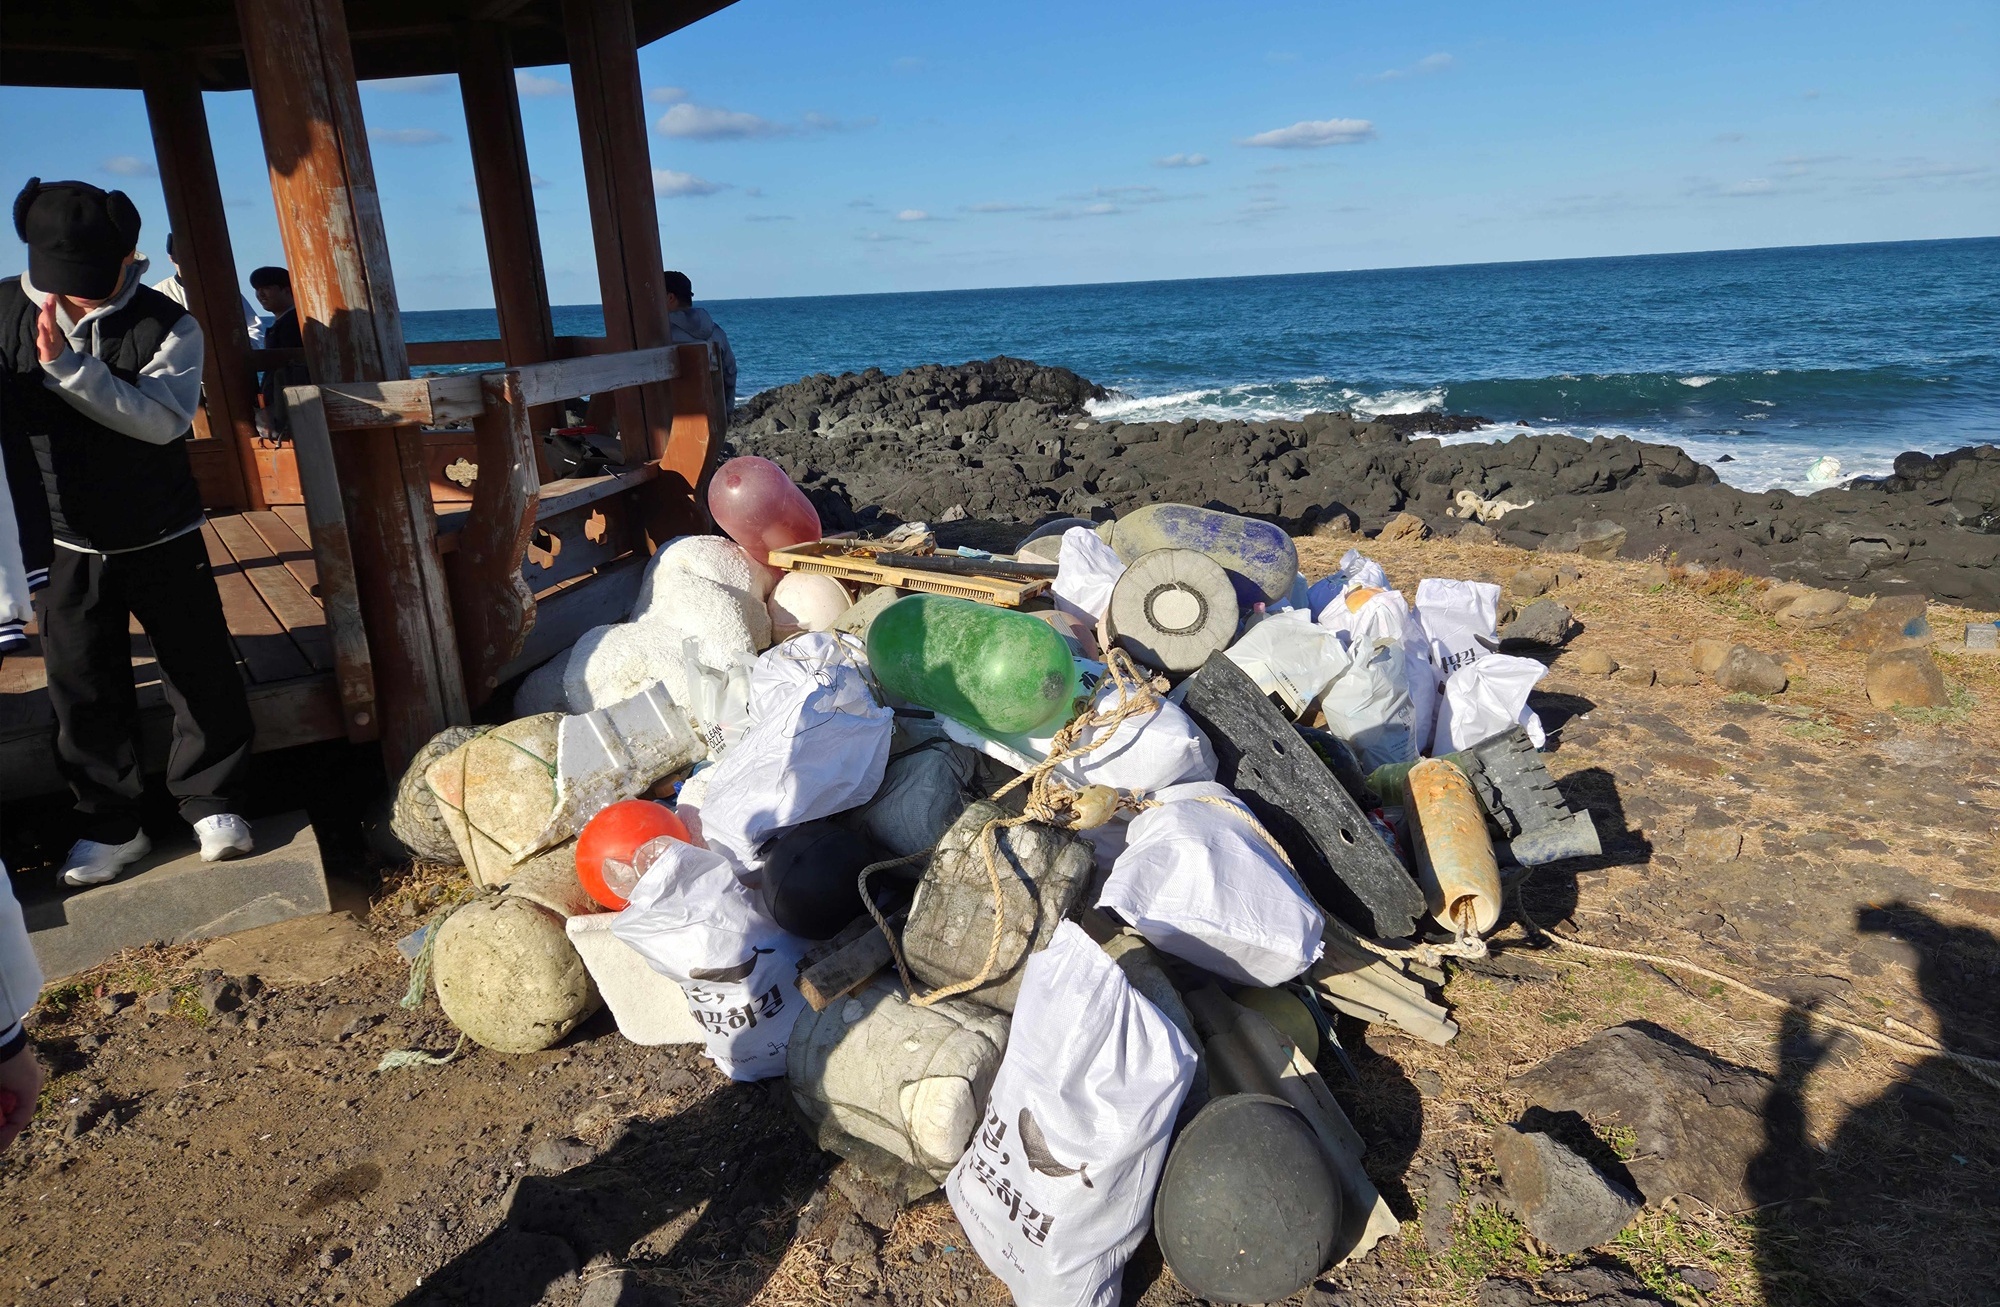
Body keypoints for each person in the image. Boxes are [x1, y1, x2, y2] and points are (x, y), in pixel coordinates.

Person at [3, 177, 255, 885]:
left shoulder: (170, 323)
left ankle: (213, 800)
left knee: (197, 663)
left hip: (161, 528)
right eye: (61, 281)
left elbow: (162, 421)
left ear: (127, 255)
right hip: (59, 539)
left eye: (91, 280)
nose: (77, 295)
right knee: (79, 683)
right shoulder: (2, 309)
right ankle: (111, 825)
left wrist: (67, 368)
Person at [152, 231, 265, 349]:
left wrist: (239, 352)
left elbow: (253, 327)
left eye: (191, 252)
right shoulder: (158, 293)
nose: (186, 257)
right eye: (179, 253)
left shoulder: (224, 290)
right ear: (171, 257)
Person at [663, 270, 737, 416]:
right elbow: (730, 374)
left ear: (670, 297)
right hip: (713, 421)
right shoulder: (717, 332)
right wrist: (725, 415)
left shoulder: (659, 335)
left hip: (672, 423)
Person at [248, 265, 305, 438]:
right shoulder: (288, 322)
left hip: (291, 409)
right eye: (258, 290)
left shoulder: (291, 324)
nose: (260, 294)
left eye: (266, 288)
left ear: (287, 291)